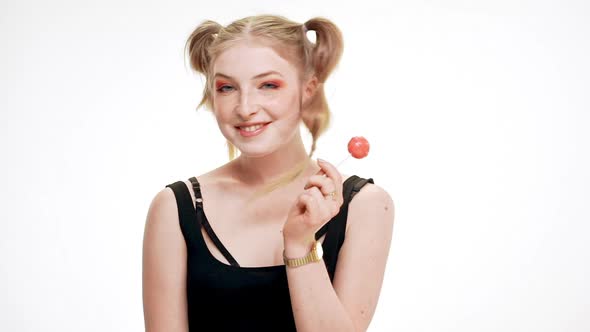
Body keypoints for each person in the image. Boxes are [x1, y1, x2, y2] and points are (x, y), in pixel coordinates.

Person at [142, 14, 395, 332]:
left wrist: (300, 244)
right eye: (227, 87)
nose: (245, 107)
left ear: (308, 89)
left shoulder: (365, 206)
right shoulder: (175, 207)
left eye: (268, 85)